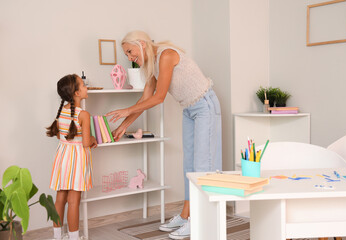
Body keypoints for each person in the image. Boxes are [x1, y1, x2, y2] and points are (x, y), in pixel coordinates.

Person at [106, 31, 222, 239]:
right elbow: (145, 99)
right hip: (189, 109)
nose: (130, 58)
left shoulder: (166, 55)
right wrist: (124, 126)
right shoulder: (152, 67)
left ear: (141, 44)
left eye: (130, 52)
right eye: (128, 55)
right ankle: (187, 215)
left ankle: (199, 220)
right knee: (189, 165)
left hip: (204, 105)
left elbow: (159, 98)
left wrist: (125, 111)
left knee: (202, 165)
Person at [46, 74, 97, 240]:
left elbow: (62, 137)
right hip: (76, 160)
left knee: (60, 198)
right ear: (76, 93)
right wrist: (93, 140)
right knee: (74, 200)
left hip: (62, 158)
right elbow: (85, 143)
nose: (86, 87)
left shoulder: (61, 112)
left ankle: (57, 236)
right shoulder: (84, 115)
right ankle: (74, 237)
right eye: (83, 85)